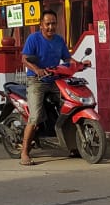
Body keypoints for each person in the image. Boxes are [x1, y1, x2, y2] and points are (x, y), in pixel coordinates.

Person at [20, 9, 81, 166]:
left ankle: (73, 146)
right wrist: (37, 70)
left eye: (53, 23)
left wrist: (79, 64)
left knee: (70, 107)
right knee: (35, 117)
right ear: (41, 25)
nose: (50, 27)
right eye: (47, 24)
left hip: (55, 80)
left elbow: (67, 58)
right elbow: (25, 59)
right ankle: (25, 152)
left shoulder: (59, 40)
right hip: (37, 81)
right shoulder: (33, 39)